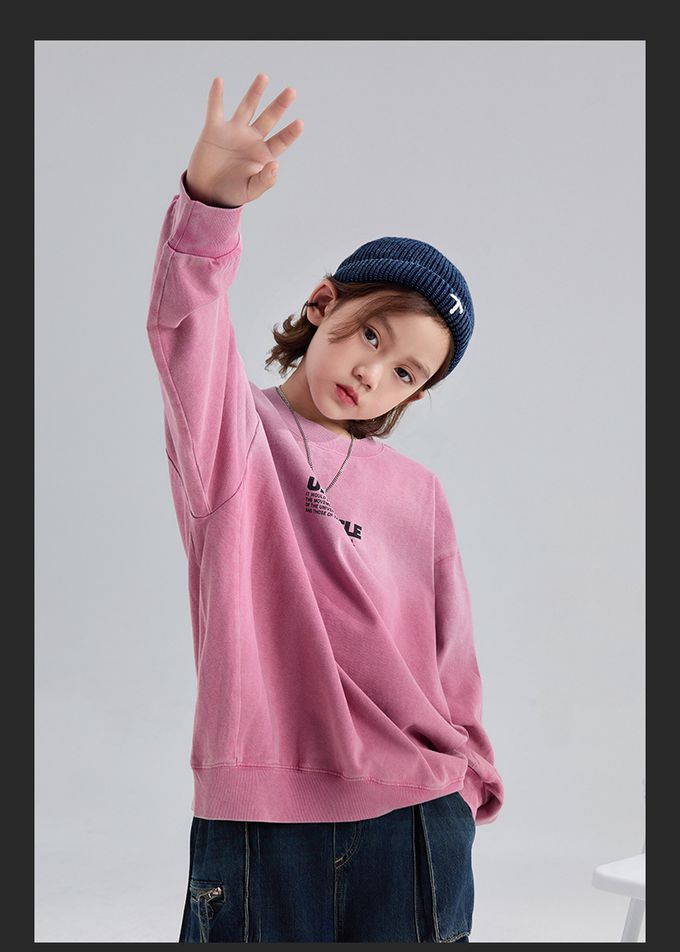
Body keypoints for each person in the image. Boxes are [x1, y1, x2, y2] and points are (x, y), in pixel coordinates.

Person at [146, 73, 504, 944]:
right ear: (322, 304)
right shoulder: (233, 436)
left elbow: (451, 657)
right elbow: (187, 328)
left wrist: (468, 778)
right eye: (372, 333)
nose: (373, 372)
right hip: (265, 825)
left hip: (417, 822)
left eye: (405, 371)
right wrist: (209, 209)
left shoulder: (420, 494)